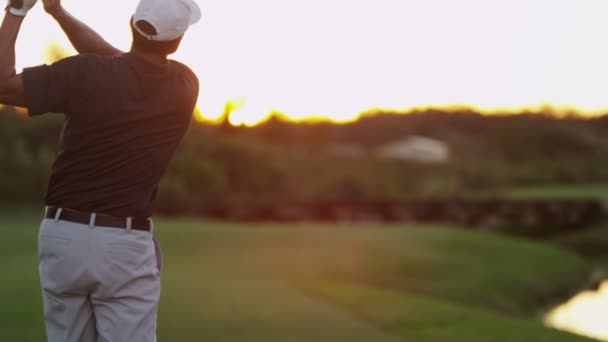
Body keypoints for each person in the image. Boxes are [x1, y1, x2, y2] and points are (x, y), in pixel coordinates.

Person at [0, 0, 201, 340]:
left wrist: (17, 11)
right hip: (124, 243)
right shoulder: (184, 84)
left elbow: (4, 85)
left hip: (62, 236)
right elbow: (119, 61)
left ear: (132, 23)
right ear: (177, 40)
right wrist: (59, 13)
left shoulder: (85, 72)